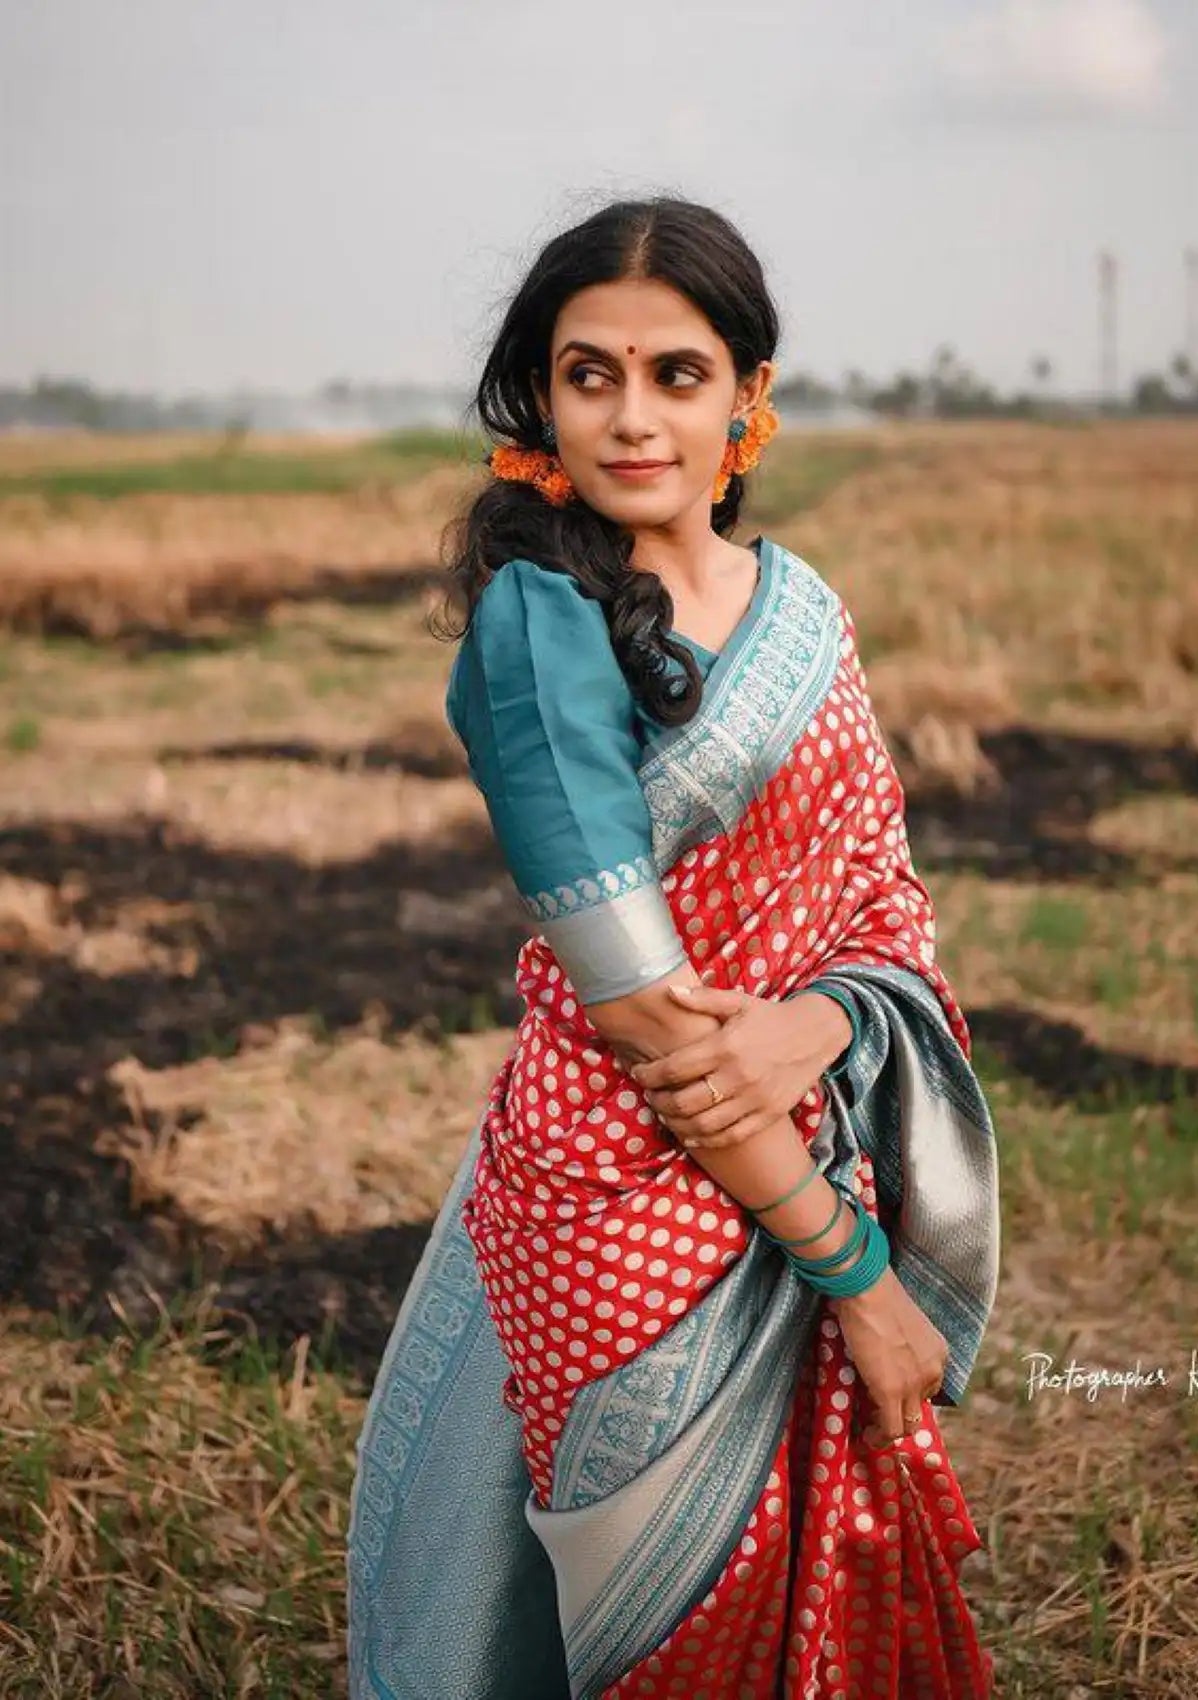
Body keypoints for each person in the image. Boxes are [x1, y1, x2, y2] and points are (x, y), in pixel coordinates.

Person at [345, 195, 1001, 1700]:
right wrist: (861, 1280)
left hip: (807, 1127)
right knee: (668, 1636)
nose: (632, 419)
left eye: (676, 374)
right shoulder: (538, 624)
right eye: (590, 376)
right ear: (543, 399)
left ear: (746, 398)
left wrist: (816, 1026)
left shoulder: (805, 615)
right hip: (620, 1211)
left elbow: (884, 905)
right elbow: (644, 1017)